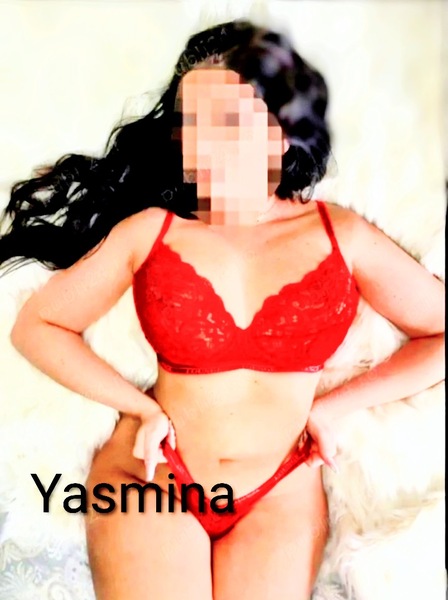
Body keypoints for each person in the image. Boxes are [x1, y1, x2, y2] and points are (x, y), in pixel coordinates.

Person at [0, 20, 444, 600]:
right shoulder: (152, 232)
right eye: (193, 124)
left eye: (230, 121)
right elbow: (36, 326)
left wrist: (336, 407)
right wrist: (139, 406)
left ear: (281, 134)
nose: (208, 144)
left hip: (279, 492)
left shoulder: (343, 236)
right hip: (154, 476)